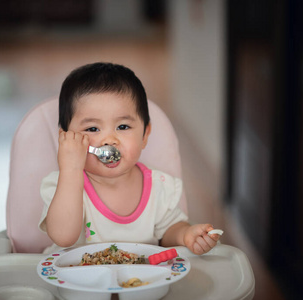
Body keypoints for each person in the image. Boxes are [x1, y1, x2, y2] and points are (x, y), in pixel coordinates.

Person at [38, 62, 220, 255]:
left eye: (123, 127)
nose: (110, 140)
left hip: (138, 283)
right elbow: (63, 237)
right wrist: (71, 170)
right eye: (92, 129)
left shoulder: (159, 187)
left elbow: (167, 232)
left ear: (145, 134)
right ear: (67, 139)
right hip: (73, 280)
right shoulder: (62, 184)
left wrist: (185, 234)